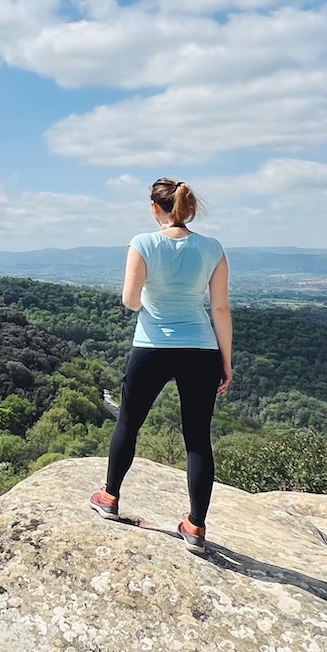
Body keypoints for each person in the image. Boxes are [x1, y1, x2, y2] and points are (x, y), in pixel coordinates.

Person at [89, 177, 232, 553]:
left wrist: (154, 295)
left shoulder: (143, 243)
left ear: (155, 208)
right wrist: (226, 361)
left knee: (129, 421)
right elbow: (219, 308)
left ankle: (109, 497)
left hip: (152, 346)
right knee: (198, 438)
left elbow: (131, 301)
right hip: (202, 349)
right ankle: (196, 527)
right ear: (188, 208)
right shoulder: (213, 248)